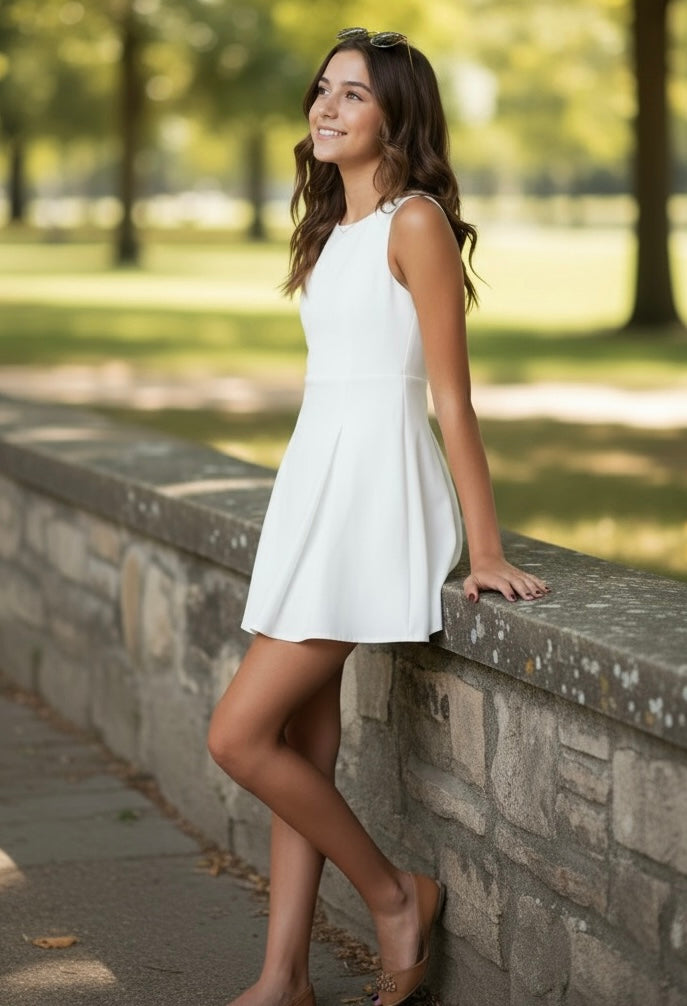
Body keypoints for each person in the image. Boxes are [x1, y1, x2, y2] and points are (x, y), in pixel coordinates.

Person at [208, 27, 549, 1006]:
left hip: (378, 499)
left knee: (235, 736)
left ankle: (396, 895)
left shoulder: (415, 224)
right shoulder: (333, 232)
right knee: (300, 743)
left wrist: (484, 548)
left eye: (352, 95)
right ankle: (283, 977)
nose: (326, 106)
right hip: (318, 489)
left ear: (396, 115)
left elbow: (454, 399)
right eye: (323, 90)